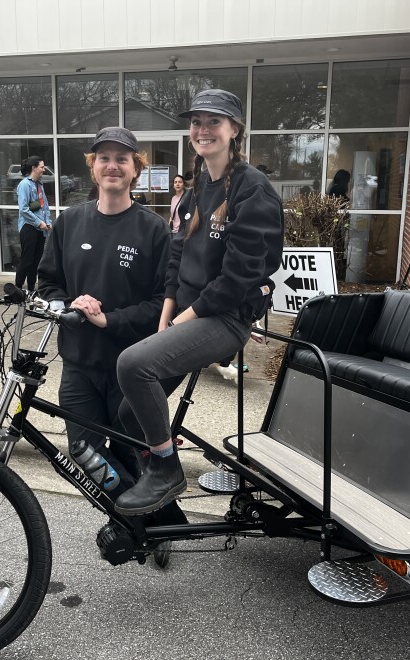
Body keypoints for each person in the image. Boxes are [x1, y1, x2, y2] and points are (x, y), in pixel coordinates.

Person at [114, 90, 284, 515]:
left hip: (224, 319)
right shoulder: (197, 188)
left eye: (214, 122)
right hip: (190, 315)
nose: (203, 130)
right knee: (130, 416)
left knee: (133, 366)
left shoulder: (252, 190)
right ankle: (156, 504)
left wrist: (184, 318)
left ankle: (167, 471)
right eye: (197, 122)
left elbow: (238, 278)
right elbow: (177, 255)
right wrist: (168, 311)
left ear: (235, 130)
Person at [38, 127, 181, 513]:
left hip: (129, 368)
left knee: (134, 452)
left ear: (136, 169)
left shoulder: (154, 231)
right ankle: (129, 519)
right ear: (93, 167)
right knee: (83, 453)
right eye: (104, 158)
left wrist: (110, 321)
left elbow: (161, 304)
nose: (113, 166)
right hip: (78, 363)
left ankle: (160, 523)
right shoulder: (68, 223)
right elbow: (48, 283)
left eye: (122, 159)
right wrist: (66, 304)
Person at [15, 156, 52, 290]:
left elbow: (44, 206)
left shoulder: (39, 184)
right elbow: (23, 209)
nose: (43, 170)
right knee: (27, 260)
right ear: (34, 168)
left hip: (40, 228)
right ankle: (18, 288)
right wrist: (39, 222)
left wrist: (48, 222)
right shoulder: (25, 184)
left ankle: (31, 289)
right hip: (29, 227)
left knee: (36, 260)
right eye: (41, 167)